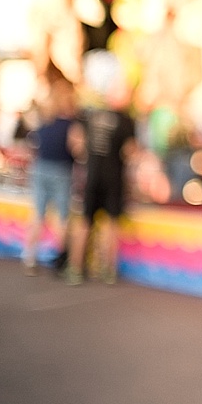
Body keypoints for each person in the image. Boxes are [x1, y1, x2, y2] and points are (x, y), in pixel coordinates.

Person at [66, 80, 138, 285]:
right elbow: (130, 151)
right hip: (113, 176)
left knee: (85, 220)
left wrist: (86, 156)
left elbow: (75, 141)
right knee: (112, 223)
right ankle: (108, 270)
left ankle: (75, 267)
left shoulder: (91, 115)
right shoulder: (126, 121)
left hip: (92, 174)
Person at [21, 77, 83, 274]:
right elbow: (77, 149)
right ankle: (60, 256)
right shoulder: (72, 125)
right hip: (61, 170)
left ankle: (30, 258)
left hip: (40, 168)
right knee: (62, 216)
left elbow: (34, 145)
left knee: (38, 214)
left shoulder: (44, 120)